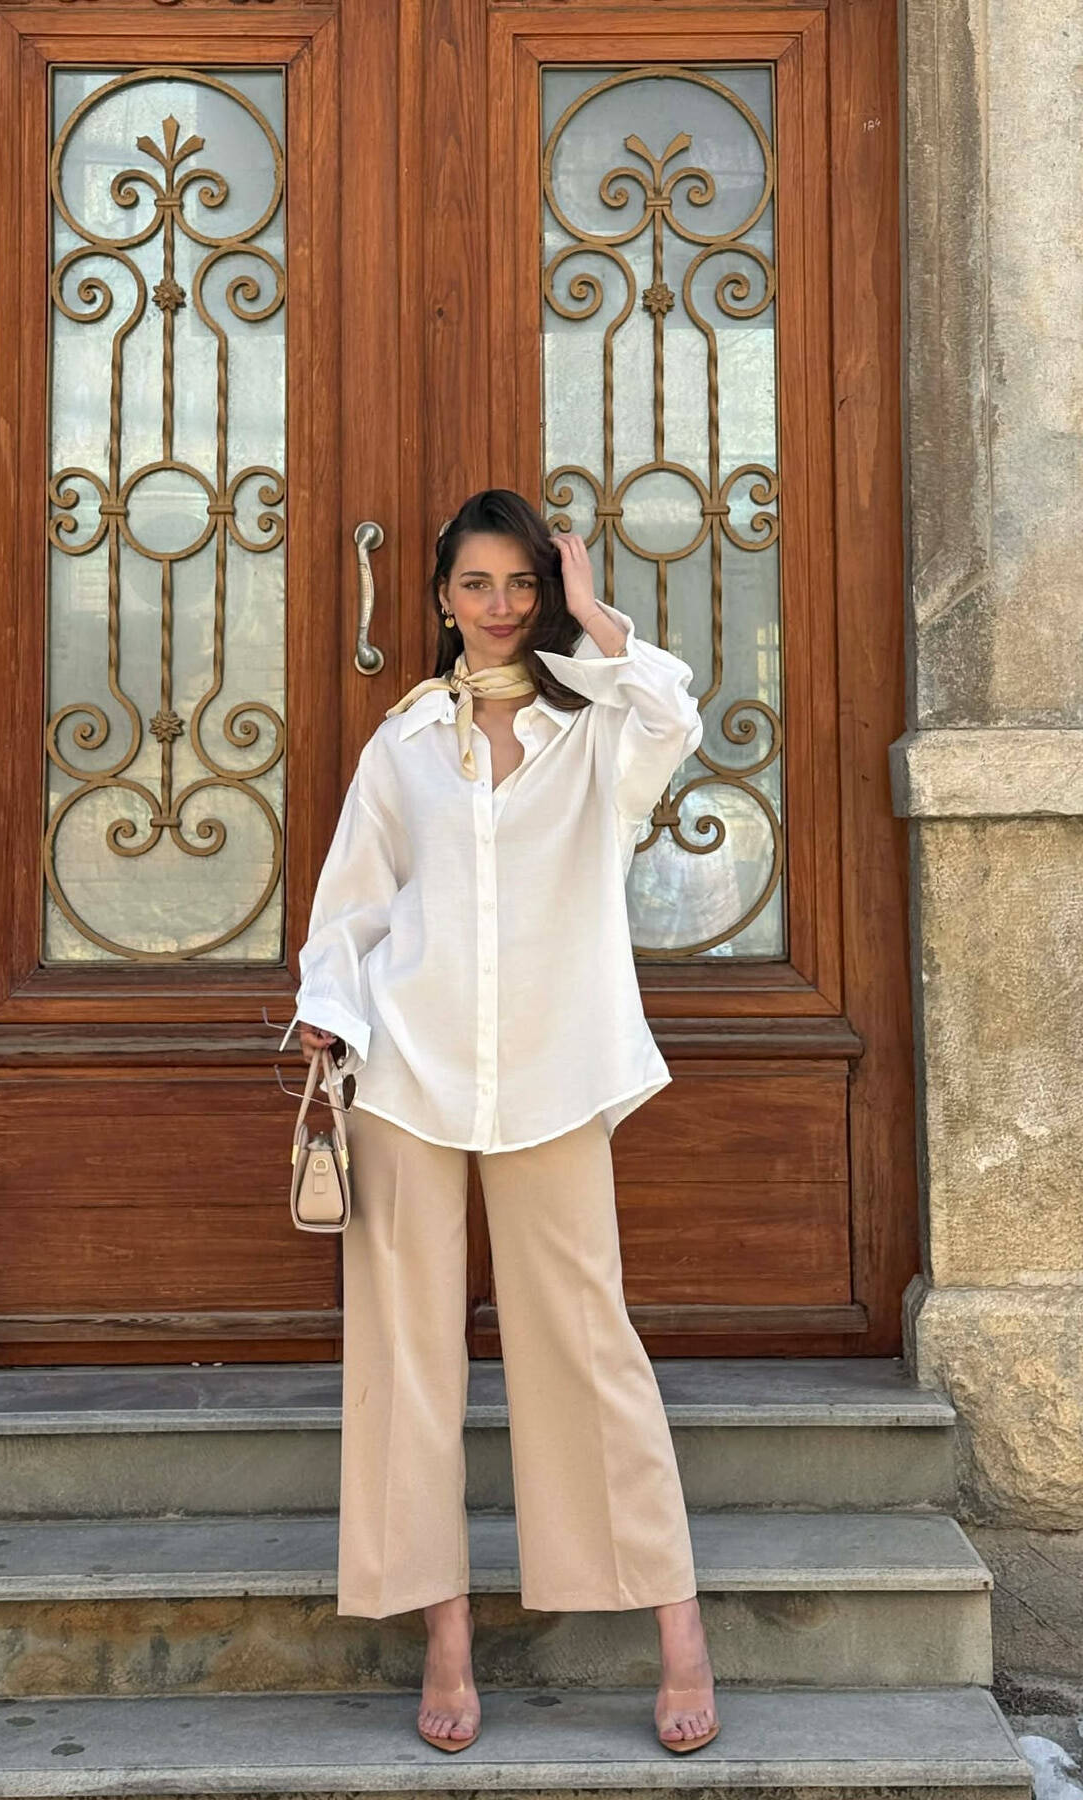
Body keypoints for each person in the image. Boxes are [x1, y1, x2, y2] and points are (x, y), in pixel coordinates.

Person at [284, 488, 718, 1756]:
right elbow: (354, 905)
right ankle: (447, 1636)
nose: (501, 607)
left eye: (522, 584)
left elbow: (674, 713)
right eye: (477, 584)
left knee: (589, 1346)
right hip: (408, 1072)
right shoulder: (405, 743)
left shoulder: (595, 735)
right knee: (407, 1360)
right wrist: (328, 1012)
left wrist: (595, 614)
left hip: (554, 1072)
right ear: (440, 598)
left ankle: (679, 1632)